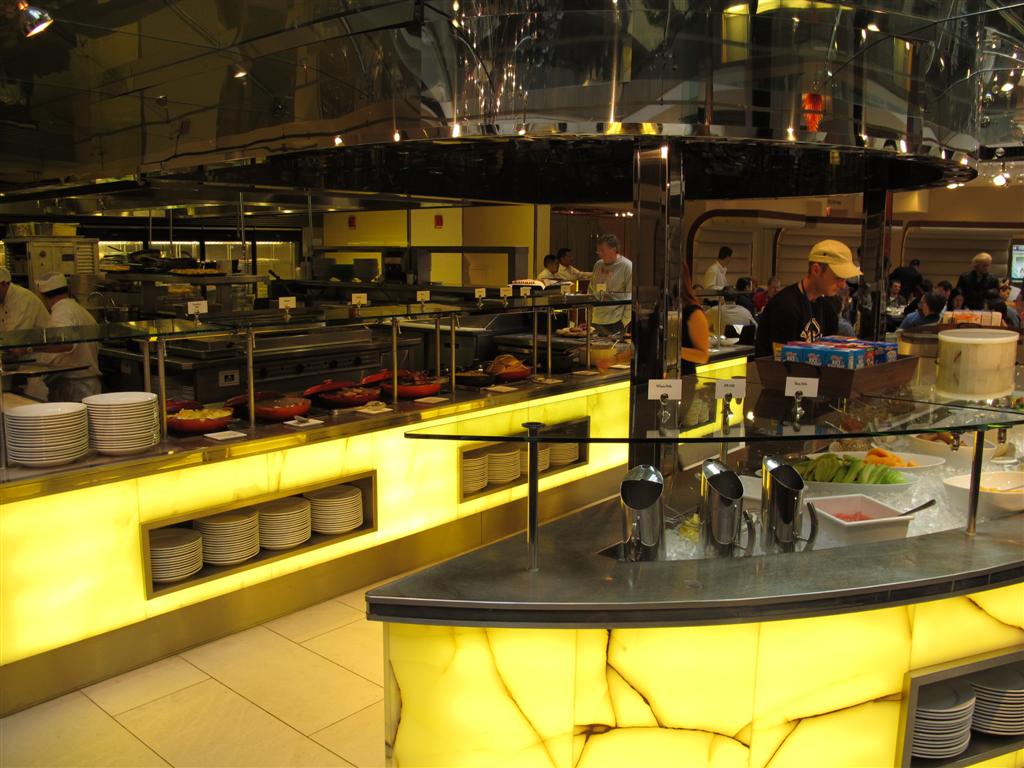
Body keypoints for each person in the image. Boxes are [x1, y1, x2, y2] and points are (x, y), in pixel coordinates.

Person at [754, 239, 862, 358]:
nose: (843, 285)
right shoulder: (785, 306)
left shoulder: (828, 310)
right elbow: (781, 361)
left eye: (845, 279)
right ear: (816, 270)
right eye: (838, 278)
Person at [32, 273, 101, 401]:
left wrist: (31, 349)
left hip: (76, 385)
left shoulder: (62, 311)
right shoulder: (77, 309)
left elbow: (65, 343)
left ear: (43, 295)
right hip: (85, 381)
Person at [589, 234, 632, 336]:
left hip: (616, 321)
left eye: (602, 250)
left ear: (613, 249)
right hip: (596, 319)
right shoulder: (598, 265)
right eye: (598, 250)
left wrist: (624, 321)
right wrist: (589, 315)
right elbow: (591, 289)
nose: (599, 253)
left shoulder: (627, 266)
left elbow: (630, 295)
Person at [678, 264, 710, 375]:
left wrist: (675, 351)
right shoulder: (660, 308)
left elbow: (703, 356)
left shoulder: (694, 313)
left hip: (684, 378)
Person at [0, 267, 49, 333]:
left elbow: (15, 334)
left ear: (3, 284)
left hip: (42, 338)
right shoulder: (3, 298)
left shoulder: (23, 299)